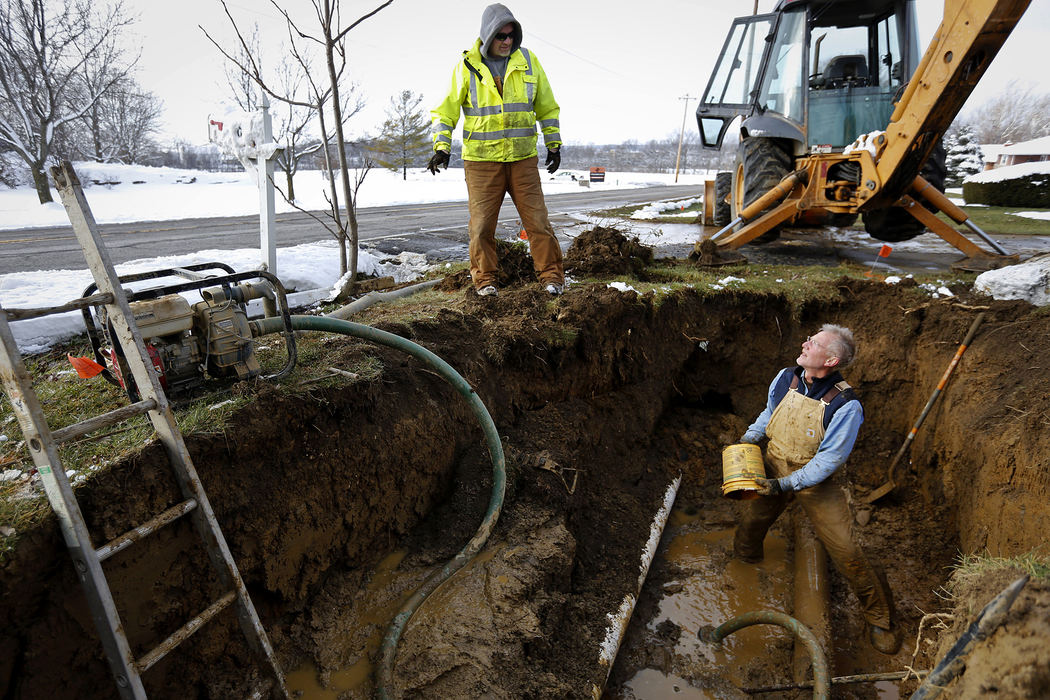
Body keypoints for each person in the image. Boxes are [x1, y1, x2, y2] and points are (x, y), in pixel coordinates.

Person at [732, 324, 900, 655]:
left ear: (832, 359)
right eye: (809, 339)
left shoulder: (846, 405)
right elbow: (769, 414)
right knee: (751, 522)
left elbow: (826, 463)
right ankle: (744, 561)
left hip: (818, 482)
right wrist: (750, 438)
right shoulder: (785, 378)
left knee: (847, 549)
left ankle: (881, 619)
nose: (805, 343)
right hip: (775, 463)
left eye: (814, 343)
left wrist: (782, 485)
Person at [427, 3, 565, 298]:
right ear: (488, 35)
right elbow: (446, 111)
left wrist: (554, 144)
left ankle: (552, 277)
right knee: (481, 228)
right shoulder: (466, 67)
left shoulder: (528, 61)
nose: (507, 41)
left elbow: (547, 105)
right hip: (481, 162)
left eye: (512, 35)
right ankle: (485, 280)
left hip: (522, 158)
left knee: (538, 222)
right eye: (501, 36)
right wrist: (441, 146)